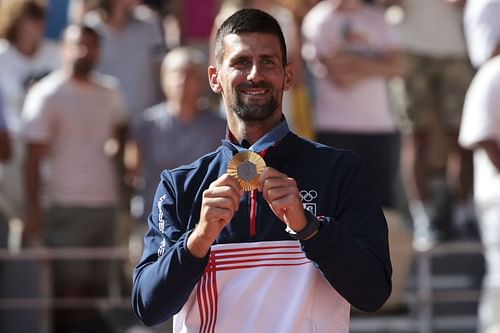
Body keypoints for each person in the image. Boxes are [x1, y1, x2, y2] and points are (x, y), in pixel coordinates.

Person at [132, 8, 391, 332]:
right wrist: (197, 240)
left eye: (268, 61)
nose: (255, 74)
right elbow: (147, 306)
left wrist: (310, 229)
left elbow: (373, 292)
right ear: (215, 78)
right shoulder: (180, 185)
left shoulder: (340, 171)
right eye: (241, 62)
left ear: (288, 76)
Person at [22, 24, 127, 333]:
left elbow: (122, 131)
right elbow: (32, 158)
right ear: (63, 49)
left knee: (96, 292)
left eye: (91, 45)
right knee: (68, 295)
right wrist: (34, 212)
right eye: (77, 44)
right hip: (65, 206)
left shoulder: (110, 91)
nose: (84, 51)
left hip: (105, 204)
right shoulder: (47, 94)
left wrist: (122, 176)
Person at [390, 0, 475, 249]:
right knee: (416, 135)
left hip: (455, 47)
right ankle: (424, 220)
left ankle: (464, 217)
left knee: (463, 135)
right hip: (409, 46)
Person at [128, 46, 226, 223]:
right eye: (176, 73)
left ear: (202, 81)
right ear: (163, 79)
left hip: (205, 222)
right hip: (156, 222)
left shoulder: (220, 127)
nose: (182, 80)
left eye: (190, 74)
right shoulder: (146, 126)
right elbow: (133, 171)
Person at [0, 0, 59, 233]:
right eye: (32, 16)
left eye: (41, 16)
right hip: (11, 154)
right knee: (15, 220)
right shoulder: (2, 56)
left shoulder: (55, 54)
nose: (38, 23)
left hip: (49, 150)